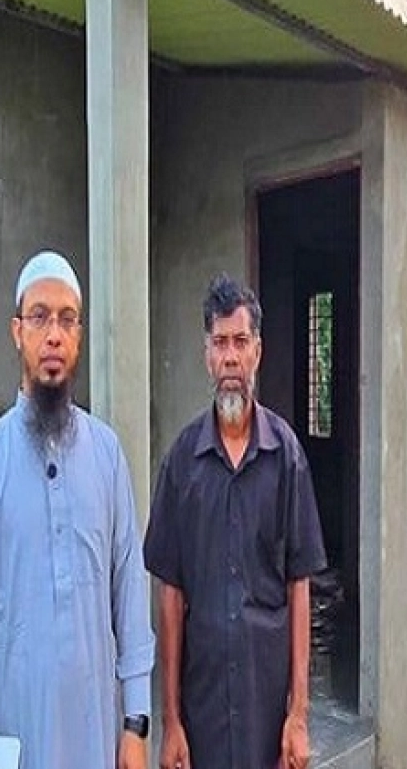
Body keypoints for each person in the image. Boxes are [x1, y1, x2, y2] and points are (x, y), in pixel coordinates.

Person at [0, 251, 155, 769]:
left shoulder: (106, 455)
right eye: (39, 317)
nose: (53, 334)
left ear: (79, 336)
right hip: (17, 737)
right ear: (17, 332)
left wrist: (137, 724)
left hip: (97, 735)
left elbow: (129, 591)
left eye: (66, 319)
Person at [145, 274, 327, 769]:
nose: (230, 356)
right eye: (220, 343)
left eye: (240, 342)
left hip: (265, 707)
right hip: (201, 712)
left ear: (257, 352)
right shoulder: (181, 462)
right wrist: (172, 722)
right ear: (207, 354)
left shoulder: (286, 456)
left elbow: (299, 583)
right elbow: (170, 593)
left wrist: (299, 714)